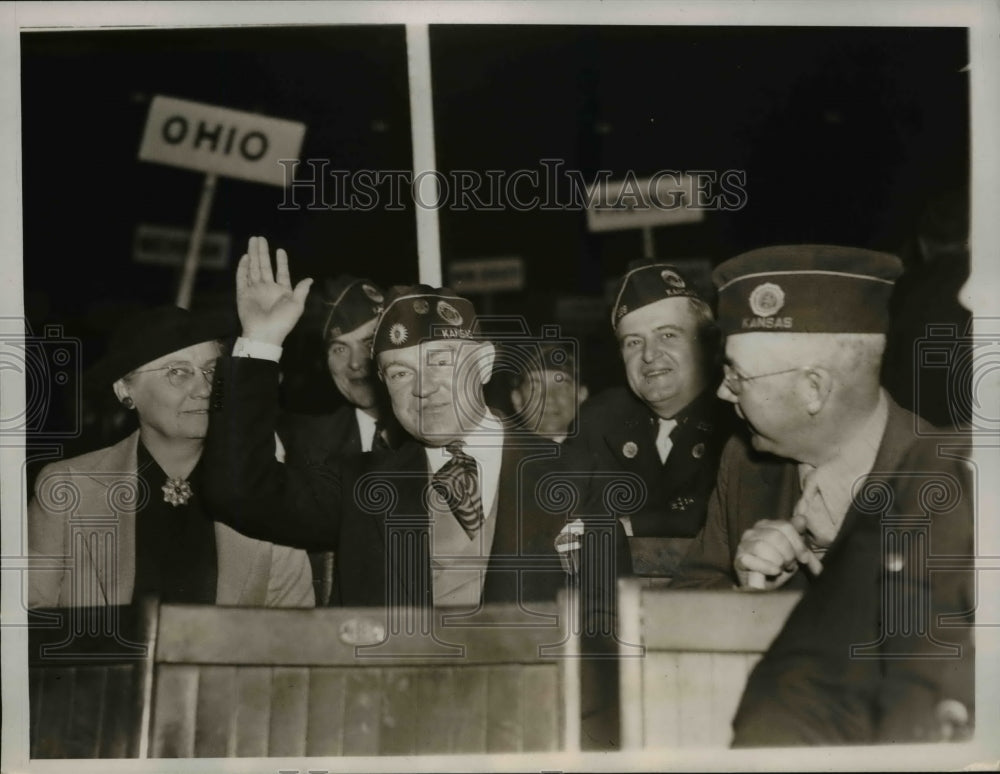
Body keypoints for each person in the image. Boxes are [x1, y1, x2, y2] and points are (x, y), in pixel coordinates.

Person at [671, 244, 974, 745]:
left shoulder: (942, 481)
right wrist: (751, 596)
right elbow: (678, 615)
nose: (723, 392)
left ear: (814, 388)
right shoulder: (746, 464)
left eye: (737, 375)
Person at [201, 236, 570, 609]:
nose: (422, 388)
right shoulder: (361, 485)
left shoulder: (574, 473)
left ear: (486, 363)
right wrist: (261, 341)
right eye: (399, 373)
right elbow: (238, 491)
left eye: (440, 361)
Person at [27, 305, 315, 609]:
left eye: (212, 370)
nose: (204, 389)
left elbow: (293, 632)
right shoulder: (68, 488)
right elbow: (30, 623)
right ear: (125, 389)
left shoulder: (267, 487)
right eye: (178, 372)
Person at [564, 260, 737, 577]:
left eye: (668, 335)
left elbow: (732, 519)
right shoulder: (600, 420)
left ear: (708, 342)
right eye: (633, 342)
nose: (649, 355)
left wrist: (627, 524)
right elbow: (564, 517)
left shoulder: (737, 417)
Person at [275, 275, 398, 605]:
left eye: (370, 343)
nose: (356, 363)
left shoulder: (436, 439)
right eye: (339, 348)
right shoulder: (302, 444)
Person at [507, 340, 588, 443]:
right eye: (536, 388)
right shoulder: (496, 455)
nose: (549, 399)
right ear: (517, 399)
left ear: (581, 395)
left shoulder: (602, 453)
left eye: (561, 388)